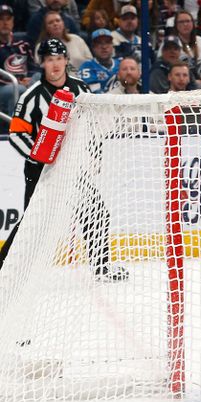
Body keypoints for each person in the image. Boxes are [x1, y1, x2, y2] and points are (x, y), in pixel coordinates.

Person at [2, 38, 128, 282]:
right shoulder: (31, 97)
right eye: (50, 59)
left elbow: (93, 126)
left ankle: (101, 267)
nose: (56, 64)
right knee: (31, 224)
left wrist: (94, 155)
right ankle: (3, 268)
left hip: (73, 169)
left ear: (66, 61)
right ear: (43, 63)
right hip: (41, 174)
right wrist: (40, 158)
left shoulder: (82, 91)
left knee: (96, 212)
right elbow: (17, 135)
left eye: (59, 58)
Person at [0, 5, 36, 117]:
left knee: (40, 79)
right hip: (4, 86)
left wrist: (30, 78)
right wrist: (17, 82)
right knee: (16, 89)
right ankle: (15, 130)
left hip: (25, 82)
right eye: (1, 19)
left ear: (13, 22)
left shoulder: (23, 42)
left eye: (8, 19)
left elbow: (34, 65)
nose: (5, 23)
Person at [78, 28, 120, 93]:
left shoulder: (121, 64)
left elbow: (128, 84)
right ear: (93, 47)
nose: (104, 47)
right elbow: (94, 94)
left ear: (112, 46)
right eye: (99, 43)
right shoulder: (87, 67)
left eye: (107, 42)